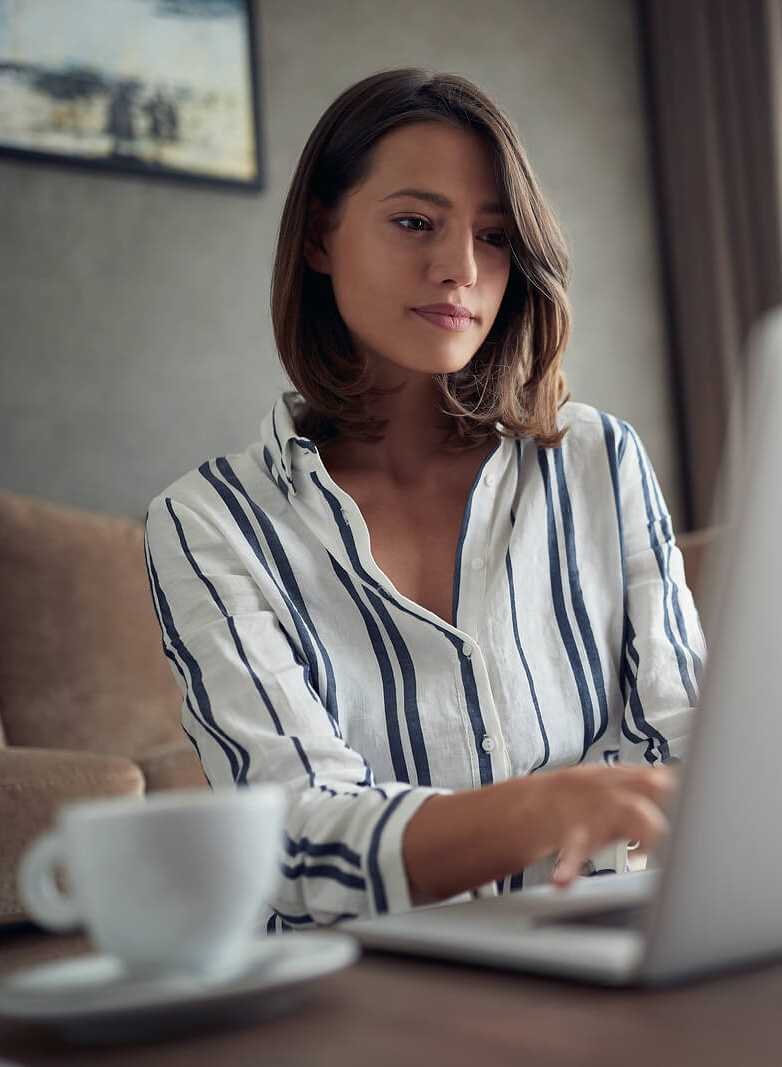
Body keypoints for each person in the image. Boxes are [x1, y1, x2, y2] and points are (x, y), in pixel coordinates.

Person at [143, 69, 703, 933]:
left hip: (600, 959)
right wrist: (551, 808)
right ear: (321, 236)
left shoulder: (601, 459)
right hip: (365, 999)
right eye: (415, 223)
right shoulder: (207, 522)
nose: (461, 269)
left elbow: (685, 742)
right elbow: (294, 844)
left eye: (495, 236)